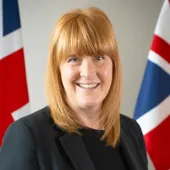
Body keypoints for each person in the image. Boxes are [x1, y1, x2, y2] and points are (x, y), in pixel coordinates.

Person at [0, 7, 148, 170]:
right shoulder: (27, 135)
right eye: (74, 59)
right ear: (58, 69)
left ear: (114, 65)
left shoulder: (131, 130)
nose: (88, 72)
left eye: (99, 58)